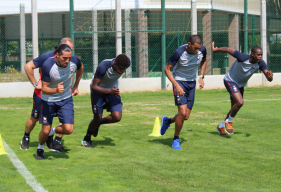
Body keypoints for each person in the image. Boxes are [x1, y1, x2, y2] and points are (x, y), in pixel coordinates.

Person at [20, 37, 77, 152]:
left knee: (65, 119)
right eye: (68, 49)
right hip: (43, 95)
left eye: (71, 49)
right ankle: (26, 137)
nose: (69, 53)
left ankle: (55, 142)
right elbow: (28, 66)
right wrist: (35, 83)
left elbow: (70, 74)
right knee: (35, 117)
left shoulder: (69, 60)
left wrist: (71, 87)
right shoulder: (47, 57)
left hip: (61, 96)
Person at [212, 42, 273, 135]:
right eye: (258, 55)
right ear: (252, 54)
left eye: (261, 55)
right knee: (240, 102)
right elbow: (228, 49)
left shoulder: (261, 63)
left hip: (240, 85)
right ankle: (229, 122)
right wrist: (215, 50)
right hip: (230, 80)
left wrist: (270, 77)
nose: (260, 57)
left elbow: (269, 79)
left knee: (234, 107)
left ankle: (220, 126)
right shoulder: (242, 57)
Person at [35, 44, 83, 160]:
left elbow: (80, 68)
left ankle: (53, 131)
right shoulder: (48, 65)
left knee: (68, 129)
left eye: (69, 58)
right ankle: (40, 147)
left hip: (65, 100)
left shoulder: (74, 61)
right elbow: (44, 89)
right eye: (64, 58)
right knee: (44, 131)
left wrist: (75, 85)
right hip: (48, 101)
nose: (67, 61)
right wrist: (56, 90)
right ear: (57, 55)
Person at [160, 35, 207, 150]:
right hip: (179, 82)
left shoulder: (202, 50)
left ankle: (167, 121)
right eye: (195, 48)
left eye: (199, 48)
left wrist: (201, 76)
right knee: (182, 112)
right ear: (189, 44)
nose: (197, 51)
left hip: (192, 83)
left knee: (185, 116)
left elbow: (204, 60)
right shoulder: (179, 52)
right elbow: (167, 69)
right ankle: (176, 139)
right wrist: (176, 85)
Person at [81, 54, 130, 148]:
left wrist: (112, 91)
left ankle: (97, 123)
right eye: (120, 68)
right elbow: (94, 87)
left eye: (124, 69)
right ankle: (86, 139)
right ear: (115, 63)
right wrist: (109, 91)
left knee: (117, 117)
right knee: (97, 118)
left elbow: (123, 67)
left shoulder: (126, 62)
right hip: (98, 91)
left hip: (113, 90)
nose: (122, 71)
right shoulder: (103, 66)